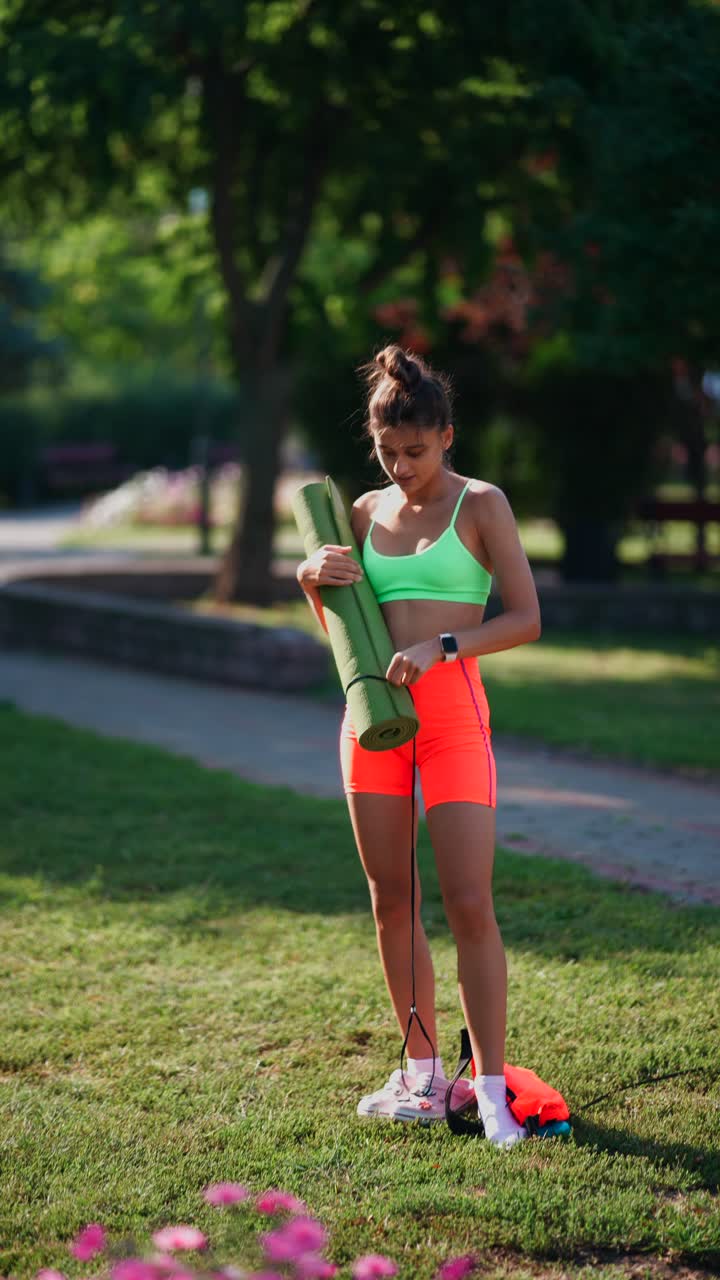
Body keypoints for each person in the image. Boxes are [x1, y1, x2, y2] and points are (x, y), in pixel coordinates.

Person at [296, 345, 541, 1149]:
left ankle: (493, 1089)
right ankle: (420, 1072)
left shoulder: (482, 504)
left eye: (416, 451)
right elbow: (345, 640)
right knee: (391, 898)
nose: (401, 468)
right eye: (387, 453)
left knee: (470, 902)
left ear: (446, 435)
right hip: (371, 727)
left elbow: (525, 619)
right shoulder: (361, 514)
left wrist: (445, 645)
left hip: (452, 719)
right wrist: (313, 582)